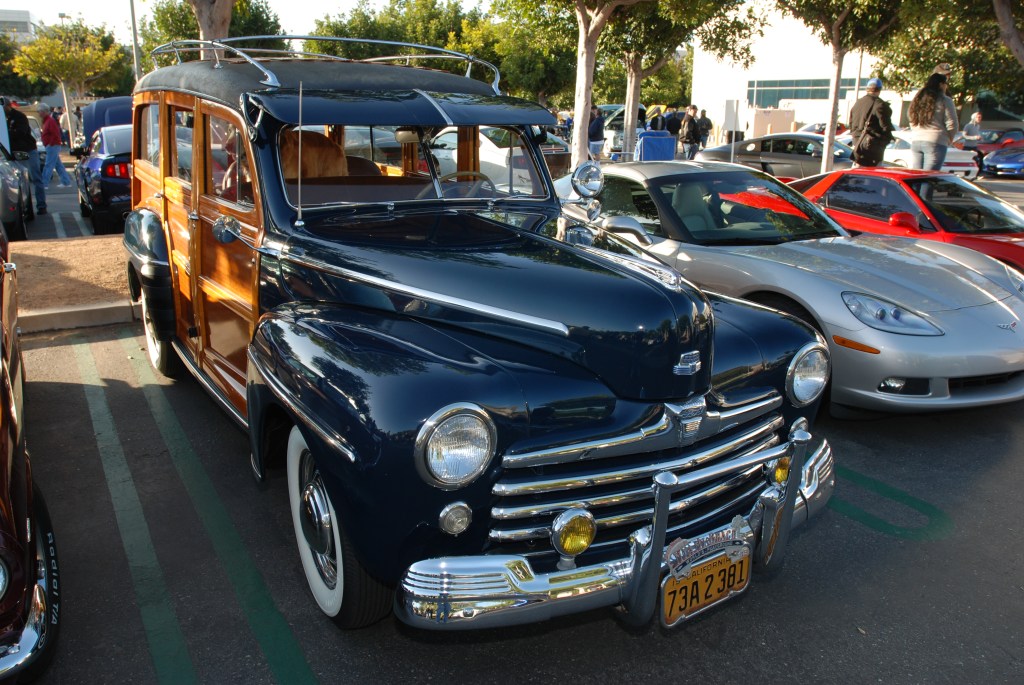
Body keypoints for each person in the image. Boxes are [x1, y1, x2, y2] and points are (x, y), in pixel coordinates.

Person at [2, 97, 46, 215]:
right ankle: (21, 206)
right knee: (17, 181)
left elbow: (21, 132)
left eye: (3, 107)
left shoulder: (19, 117)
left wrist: (5, 133)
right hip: (11, 153)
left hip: (27, 151)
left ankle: (41, 205)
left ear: (8, 106)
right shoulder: (2, 119)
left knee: (35, 177)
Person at [908, 72, 958, 170]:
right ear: (941, 84)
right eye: (946, 84)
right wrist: (949, 138)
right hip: (936, 141)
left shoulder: (918, 99)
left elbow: (910, 116)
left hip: (916, 140)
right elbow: (952, 123)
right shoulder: (945, 100)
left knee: (915, 179)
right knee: (928, 178)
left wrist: (916, 131)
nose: (946, 87)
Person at [848, 77, 895, 167]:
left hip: (857, 146)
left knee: (857, 175)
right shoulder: (880, 104)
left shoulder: (858, 103)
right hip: (872, 148)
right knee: (872, 177)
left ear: (867, 88)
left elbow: (851, 124)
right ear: (880, 89)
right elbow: (885, 126)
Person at [37, 103, 72, 188]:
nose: (39, 113)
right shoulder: (47, 121)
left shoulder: (50, 121)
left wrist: (50, 143)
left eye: (40, 111)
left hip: (52, 146)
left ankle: (44, 183)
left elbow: (55, 134)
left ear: (45, 111)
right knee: (58, 165)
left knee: (48, 165)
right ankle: (66, 182)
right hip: (51, 145)